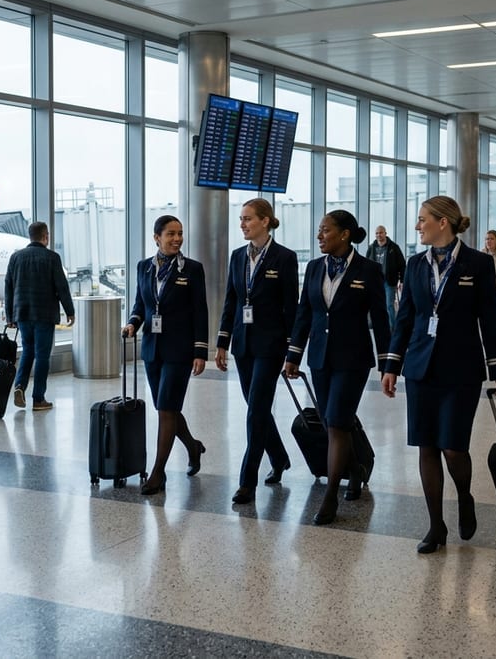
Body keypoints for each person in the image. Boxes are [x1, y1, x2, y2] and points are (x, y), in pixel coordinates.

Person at [382, 196, 496, 554]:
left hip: (462, 368)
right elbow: (405, 318)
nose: (417, 225)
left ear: (443, 222)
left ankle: (465, 496)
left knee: (453, 448)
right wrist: (392, 366)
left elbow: (490, 319)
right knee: (427, 445)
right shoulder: (414, 265)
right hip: (421, 367)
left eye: (423, 219)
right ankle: (436, 525)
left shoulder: (478, 264)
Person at [283, 209, 390, 526]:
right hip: (320, 357)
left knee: (339, 422)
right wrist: (293, 354)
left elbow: (381, 319)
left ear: (344, 234)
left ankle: (330, 495)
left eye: (325, 230)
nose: (319, 236)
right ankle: (355, 469)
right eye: (319, 230)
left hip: (353, 359)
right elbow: (305, 312)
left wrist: (388, 364)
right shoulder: (315, 267)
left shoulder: (369, 270)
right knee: (332, 422)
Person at [215, 198, 298, 504]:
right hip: (243, 342)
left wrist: (293, 351)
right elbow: (231, 301)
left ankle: (247, 480)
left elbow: (292, 306)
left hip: (271, 344)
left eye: (248, 218)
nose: (242, 224)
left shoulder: (284, 258)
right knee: (256, 404)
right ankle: (279, 456)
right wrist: (223, 342)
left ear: (265, 221)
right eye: (241, 219)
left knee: (256, 409)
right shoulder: (238, 257)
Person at [123, 215, 209, 495]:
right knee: (166, 406)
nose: (177, 239)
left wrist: (200, 350)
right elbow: (140, 303)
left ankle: (158, 472)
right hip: (152, 349)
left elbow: (200, 310)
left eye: (180, 234)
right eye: (171, 234)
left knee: (166, 409)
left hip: (180, 350)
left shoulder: (192, 269)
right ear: (156, 237)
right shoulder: (144, 267)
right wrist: (133, 322)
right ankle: (193, 447)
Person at [3, 221, 75, 412]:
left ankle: (19, 386)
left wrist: (10, 315)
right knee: (42, 355)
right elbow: (62, 287)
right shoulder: (52, 258)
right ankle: (38, 399)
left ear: (30, 236)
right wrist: (70, 311)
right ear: (46, 236)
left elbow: (8, 287)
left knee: (28, 351)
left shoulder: (16, 257)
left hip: (23, 314)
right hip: (44, 314)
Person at [365, 225, 406, 331]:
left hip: (389, 281)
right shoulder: (371, 247)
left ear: (385, 233)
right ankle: (378, 326)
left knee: (389, 305)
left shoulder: (393, 247)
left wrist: (402, 280)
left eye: (381, 233)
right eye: (377, 233)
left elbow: (402, 265)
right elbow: (366, 264)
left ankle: (393, 328)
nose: (379, 235)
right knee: (375, 305)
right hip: (375, 281)